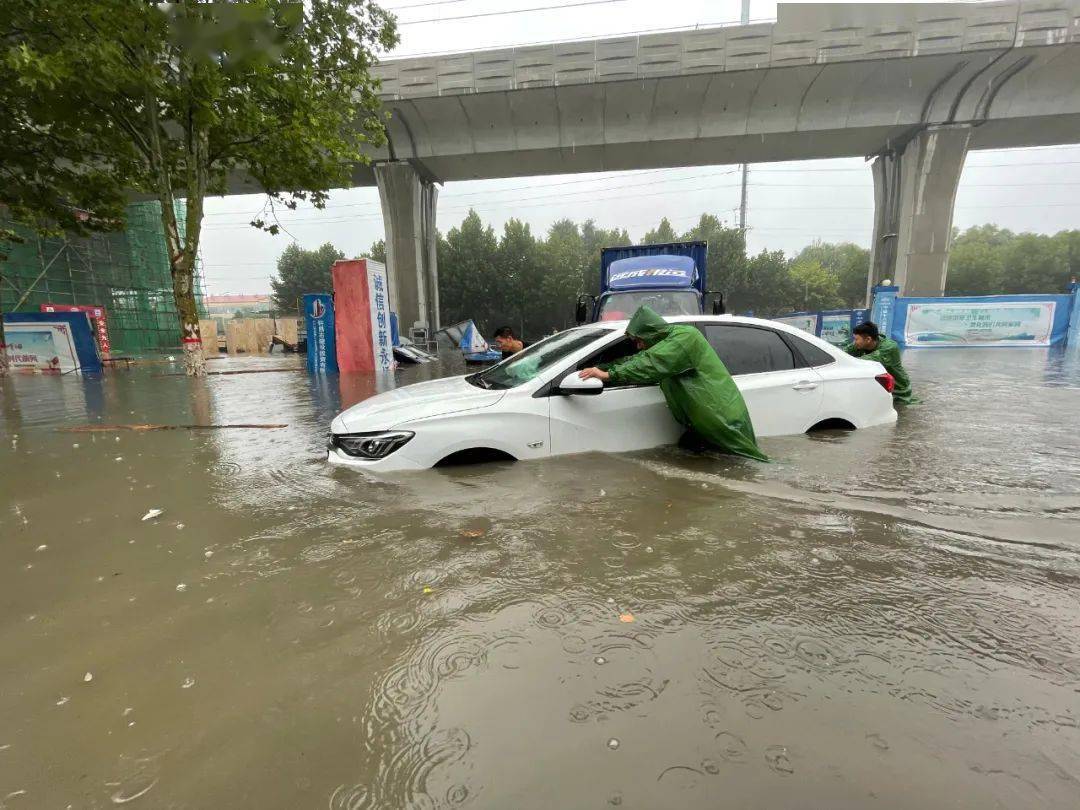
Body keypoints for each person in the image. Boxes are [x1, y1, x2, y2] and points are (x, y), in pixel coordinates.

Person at [578, 306, 768, 461]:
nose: (638, 346)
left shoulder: (684, 337)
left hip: (722, 419)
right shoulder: (664, 344)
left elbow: (651, 364)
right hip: (701, 422)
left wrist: (608, 375)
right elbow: (635, 360)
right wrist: (596, 367)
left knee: (749, 463)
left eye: (639, 341)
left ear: (651, 333)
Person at [844, 321, 914, 404]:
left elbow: (863, 361)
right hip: (881, 387)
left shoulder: (889, 347)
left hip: (899, 391)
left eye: (856, 339)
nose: (854, 342)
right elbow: (842, 353)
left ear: (868, 339)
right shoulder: (861, 343)